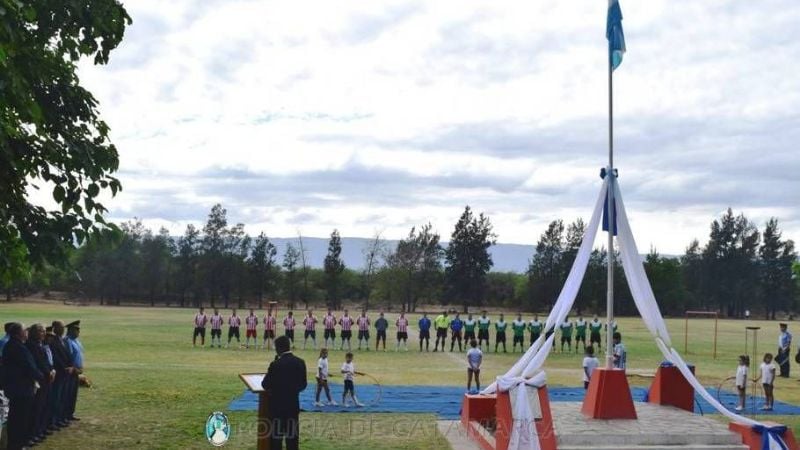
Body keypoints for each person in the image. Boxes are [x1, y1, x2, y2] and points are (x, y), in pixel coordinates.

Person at [3, 322, 45, 450]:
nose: (26, 332)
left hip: (16, 388)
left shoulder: (12, 345)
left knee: (16, 417)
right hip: (21, 389)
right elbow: (29, 367)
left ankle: (15, 444)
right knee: (20, 419)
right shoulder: (18, 347)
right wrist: (41, 376)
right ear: (18, 333)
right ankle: (17, 445)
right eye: (24, 330)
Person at [261, 336, 307, 450]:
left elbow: (265, 384)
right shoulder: (300, 362)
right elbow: (303, 384)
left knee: (276, 439)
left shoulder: (275, 364)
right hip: (293, 405)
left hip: (277, 407)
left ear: (279, 348)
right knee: (292, 439)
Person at [25, 324, 54, 446]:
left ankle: (37, 431)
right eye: (41, 331)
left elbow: (46, 361)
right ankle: (31, 435)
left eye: (43, 331)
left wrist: (52, 370)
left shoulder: (39, 344)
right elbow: (38, 363)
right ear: (34, 333)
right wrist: (49, 372)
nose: (43, 334)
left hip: (46, 379)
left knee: (42, 407)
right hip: (39, 381)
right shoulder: (31, 345)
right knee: (35, 409)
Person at [46, 321, 72, 430]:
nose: (63, 329)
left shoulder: (63, 341)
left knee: (62, 398)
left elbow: (68, 355)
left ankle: (59, 419)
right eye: (61, 327)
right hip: (59, 373)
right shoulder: (53, 341)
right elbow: (55, 358)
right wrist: (64, 368)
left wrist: (71, 366)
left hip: (66, 373)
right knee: (55, 398)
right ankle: (52, 421)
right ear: (55, 328)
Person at [63, 320, 84, 423]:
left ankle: (70, 413)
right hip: (71, 371)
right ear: (70, 330)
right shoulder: (67, 341)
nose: (78, 332)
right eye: (76, 330)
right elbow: (67, 357)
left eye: (78, 330)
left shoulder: (77, 341)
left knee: (73, 394)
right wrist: (73, 368)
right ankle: (64, 415)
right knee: (67, 394)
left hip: (77, 371)